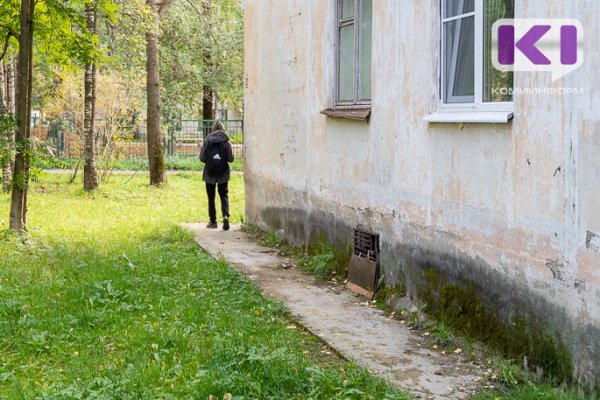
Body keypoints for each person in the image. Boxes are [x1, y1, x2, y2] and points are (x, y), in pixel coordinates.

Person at [200, 121, 234, 230]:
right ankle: (225, 216)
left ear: (213, 129)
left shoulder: (207, 141)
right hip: (223, 173)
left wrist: (211, 161)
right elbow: (231, 158)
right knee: (224, 195)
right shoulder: (227, 141)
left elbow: (202, 158)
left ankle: (213, 222)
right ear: (223, 129)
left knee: (211, 198)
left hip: (209, 173)